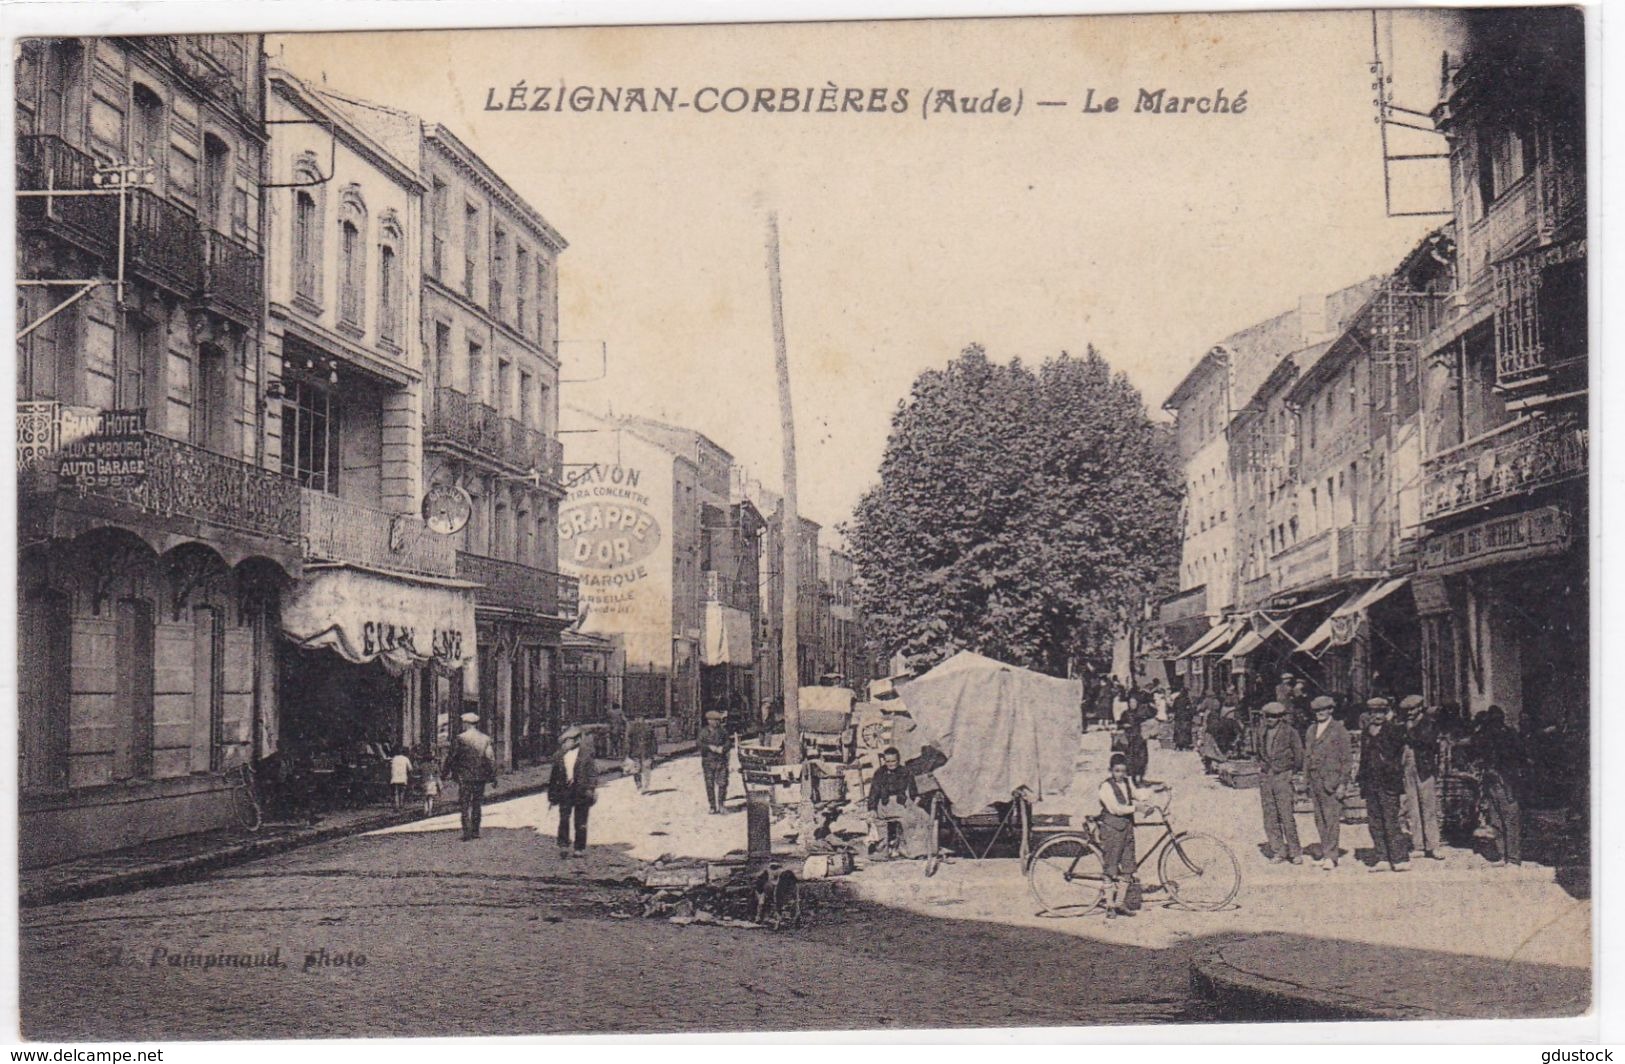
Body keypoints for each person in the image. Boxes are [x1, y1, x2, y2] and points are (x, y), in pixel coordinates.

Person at [1097, 753, 1158, 918]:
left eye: (1123, 771)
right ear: (1110, 770)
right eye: (1117, 771)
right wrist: (1137, 808)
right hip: (1112, 829)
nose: (1120, 774)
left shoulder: (1127, 782)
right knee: (1111, 866)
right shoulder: (1106, 787)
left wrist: (1153, 791)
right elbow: (1116, 808)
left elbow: (1137, 794)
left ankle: (1119, 903)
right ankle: (1109, 904)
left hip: (1126, 828)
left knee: (1128, 865)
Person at [1467, 705, 1526, 865]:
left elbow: (1519, 755)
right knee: (1499, 819)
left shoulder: (1505, 736)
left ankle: (1511, 858)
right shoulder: (1501, 735)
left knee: (1506, 819)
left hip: (1504, 781)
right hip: (1497, 781)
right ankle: (1504, 856)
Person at [1357, 698, 1410, 872]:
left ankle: (1399, 858)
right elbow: (1364, 758)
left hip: (1389, 782)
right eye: (1373, 713)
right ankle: (1382, 857)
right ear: (1369, 714)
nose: (1377, 716)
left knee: (1391, 820)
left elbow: (1398, 756)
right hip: (1371, 782)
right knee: (1375, 821)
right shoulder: (1366, 732)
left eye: (1381, 712)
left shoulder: (1394, 731)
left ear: (1386, 713)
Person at [1303, 695, 1352, 869]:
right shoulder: (1311, 730)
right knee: (1319, 818)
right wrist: (1305, 780)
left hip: (1331, 780)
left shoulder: (1339, 730)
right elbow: (1307, 757)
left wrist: (1343, 784)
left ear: (1331, 710)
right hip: (1315, 780)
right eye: (1316, 711)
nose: (1320, 713)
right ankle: (1325, 851)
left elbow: (1347, 759)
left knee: (1331, 818)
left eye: (1323, 710)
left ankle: (1332, 855)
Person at [1254, 701, 1304, 865]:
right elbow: (1258, 753)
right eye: (1267, 716)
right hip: (1266, 776)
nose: (1270, 720)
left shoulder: (1290, 732)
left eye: (1274, 717)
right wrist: (1262, 768)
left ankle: (1295, 851)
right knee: (1270, 816)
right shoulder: (1261, 731)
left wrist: (1291, 772)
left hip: (1283, 775)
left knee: (1286, 815)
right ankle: (1278, 850)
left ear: (1281, 717)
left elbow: (1298, 755)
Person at [1399, 694, 1444, 861]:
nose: (1409, 713)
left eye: (1412, 709)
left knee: (1428, 807)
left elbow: (1425, 740)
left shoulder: (1429, 723)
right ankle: (1418, 844)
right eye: (1407, 710)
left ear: (1419, 708)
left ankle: (1433, 845)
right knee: (1413, 807)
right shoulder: (1404, 724)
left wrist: (1408, 731)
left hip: (1425, 768)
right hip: (1408, 767)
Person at [442, 712, 497, 841]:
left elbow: (451, 757)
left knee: (465, 804)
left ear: (466, 724)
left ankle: (467, 832)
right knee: (477, 804)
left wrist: (444, 774)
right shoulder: (485, 738)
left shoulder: (460, 738)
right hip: (480, 777)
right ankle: (475, 831)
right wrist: (493, 776)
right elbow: (490, 759)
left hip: (464, 777)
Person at [548, 725, 597, 857]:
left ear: (576, 741)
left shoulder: (586, 754)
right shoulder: (558, 756)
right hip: (565, 791)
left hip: (581, 791)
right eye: (564, 741)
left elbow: (592, 774)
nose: (565, 743)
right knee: (564, 818)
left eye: (568, 741)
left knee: (581, 821)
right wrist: (551, 795)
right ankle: (563, 845)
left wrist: (591, 789)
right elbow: (554, 777)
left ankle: (579, 848)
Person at [866, 746, 920, 858]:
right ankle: (883, 850)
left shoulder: (905, 771)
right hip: (884, 803)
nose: (891, 764)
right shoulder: (879, 773)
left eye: (893, 761)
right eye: (888, 761)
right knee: (878, 821)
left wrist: (914, 801)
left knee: (911, 820)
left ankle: (905, 848)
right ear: (884, 761)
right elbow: (874, 792)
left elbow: (913, 789)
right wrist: (872, 808)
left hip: (900, 803)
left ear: (898, 760)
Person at [699, 710, 732, 814]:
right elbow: (699, 744)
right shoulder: (703, 732)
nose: (717, 723)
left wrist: (723, 748)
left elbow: (728, 743)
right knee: (709, 784)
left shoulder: (723, 731)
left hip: (721, 761)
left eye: (718, 720)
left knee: (722, 783)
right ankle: (712, 806)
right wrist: (709, 747)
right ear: (709, 721)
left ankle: (721, 804)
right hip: (708, 762)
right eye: (715, 720)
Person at [626, 713, 657, 794]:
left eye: (639, 718)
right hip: (637, 752)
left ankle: (643, 786)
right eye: (637, 718)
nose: (638, 720)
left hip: (643, 752)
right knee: (638, 770)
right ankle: (640, 786)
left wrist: (653, 752)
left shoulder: (647, 729)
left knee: (644, 769)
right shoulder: (633, 729)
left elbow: (653, 741)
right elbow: (628, 742)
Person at [389, 745, 412, 811]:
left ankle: (396, 806)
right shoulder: (406, 759)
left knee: (396, 792)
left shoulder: (394, 758)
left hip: (394, 778)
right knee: (402, 792)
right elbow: (410, 769)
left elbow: (390, 766)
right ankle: (401, 805)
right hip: (403, 778)